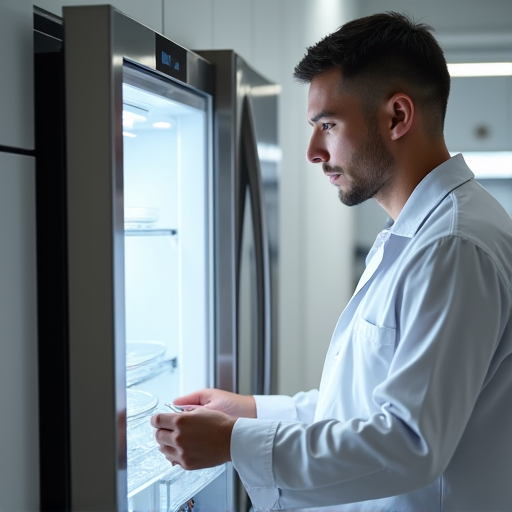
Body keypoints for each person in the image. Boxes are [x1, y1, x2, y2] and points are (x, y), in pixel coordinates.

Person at [151, 11, 512, 511]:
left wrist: (233, 442)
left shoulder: (452, 246)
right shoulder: (413, 235)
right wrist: (249, 412)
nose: (312, 151)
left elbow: (409, 444)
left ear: (397, 117)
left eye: (328, 124)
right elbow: (362, 407)